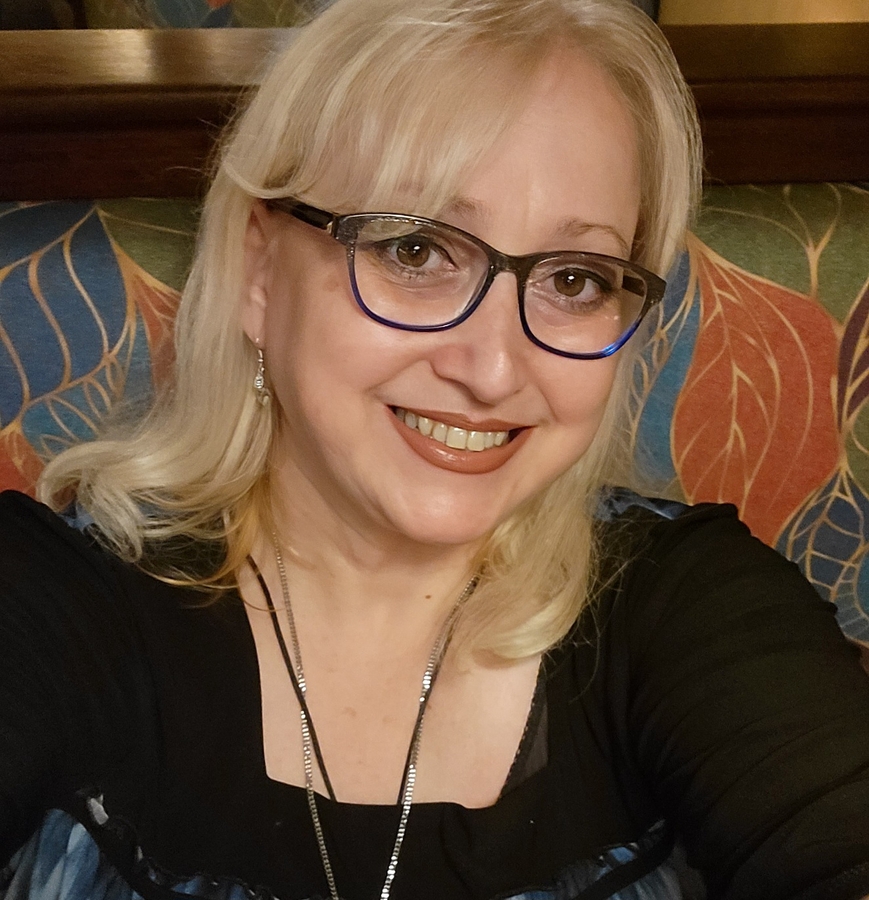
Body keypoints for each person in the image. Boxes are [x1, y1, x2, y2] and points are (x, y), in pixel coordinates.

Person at [2, 0, 868, 898]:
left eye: (575, 280)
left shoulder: (688, 605)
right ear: (259, 269)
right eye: (414, 250)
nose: (493, 369)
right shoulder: (54, 601)